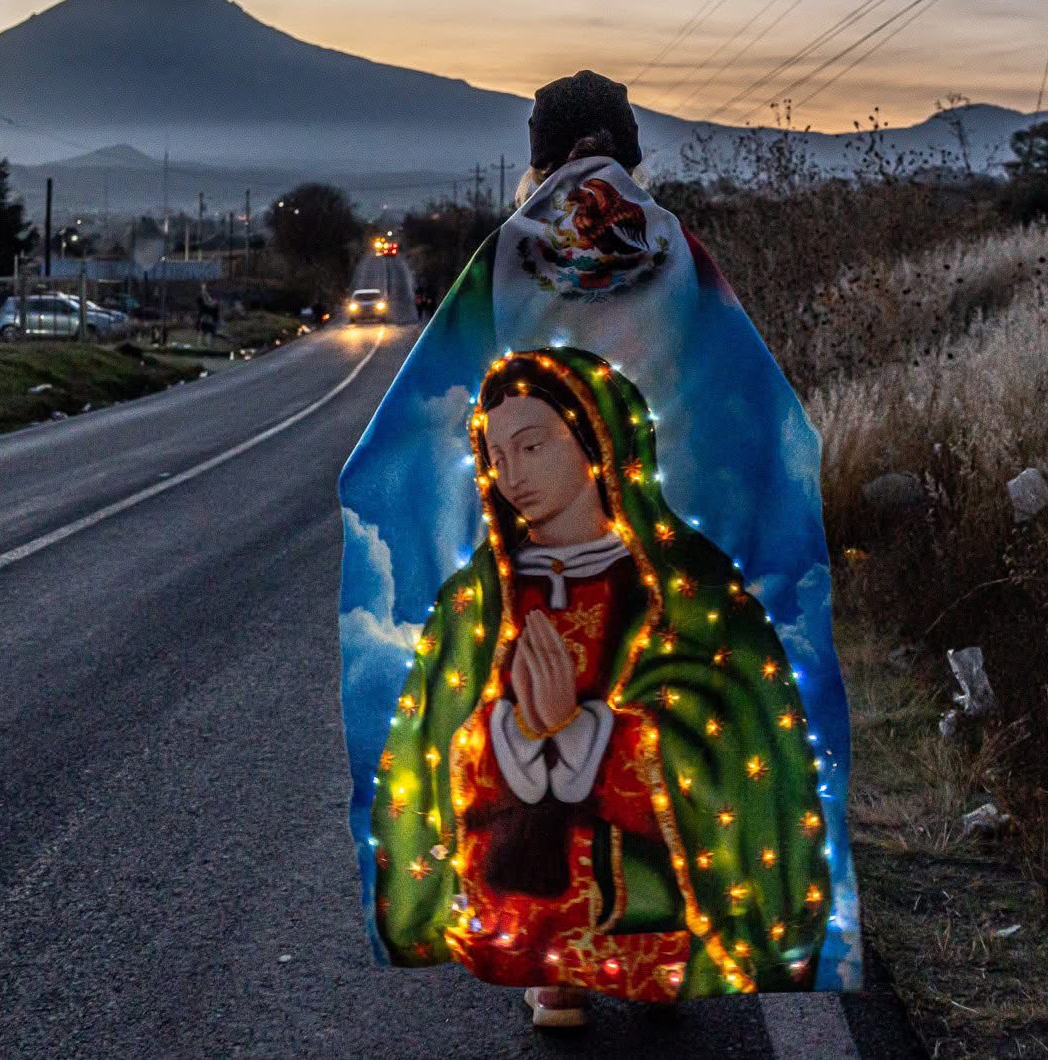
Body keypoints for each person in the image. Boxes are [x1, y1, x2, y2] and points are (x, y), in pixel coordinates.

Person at [336, 70, 859, 1030]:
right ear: (631, 151)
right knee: (692, 693)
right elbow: (749, 396)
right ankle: (659, 947)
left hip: (533, 552)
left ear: (536, 157)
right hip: (659, 533)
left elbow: (431, 396)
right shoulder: (680, 251)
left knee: (491, 683)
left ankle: (557, 969)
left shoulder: (503, 253)